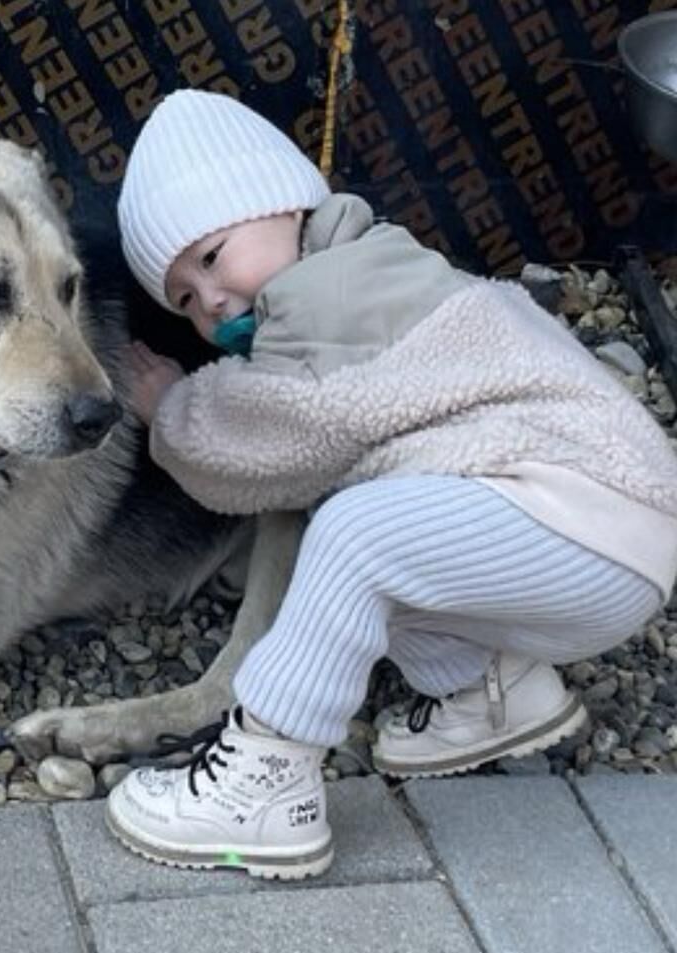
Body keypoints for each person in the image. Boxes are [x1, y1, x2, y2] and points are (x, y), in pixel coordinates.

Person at [105, 88, 677, 880]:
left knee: (353, 535)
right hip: (601, 530)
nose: (214, 301)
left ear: (285, 205)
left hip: (583, 515)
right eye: (187, 301)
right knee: (379, 539)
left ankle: (265, 782)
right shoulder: (378, 263)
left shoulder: (329, 293)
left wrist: (172, 409)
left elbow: (279, 430)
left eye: (211, 258)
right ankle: (493, 691)